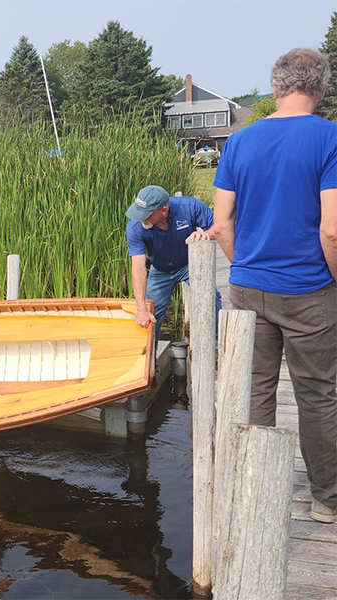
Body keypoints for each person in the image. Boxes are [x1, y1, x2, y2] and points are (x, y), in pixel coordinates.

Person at [213, 48, 337, 524]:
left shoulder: (239, 141)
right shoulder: (329, 139)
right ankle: (326, 498)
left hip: (247, 287)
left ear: (275, 88)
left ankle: (259, 492)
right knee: (316, 394)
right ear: (321, 88)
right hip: (309, 288)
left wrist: (244, 266)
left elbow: (223, 224)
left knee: (256, 391)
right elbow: (331, 230)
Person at [125, 185, 222, 340]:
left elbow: (218, 228)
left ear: (163, 211)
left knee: (211, 298)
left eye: (146, 214)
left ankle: (215, 346)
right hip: (160, 269)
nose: (141, 218)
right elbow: (138, 269)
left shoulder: (189, 207)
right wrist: (141, 308)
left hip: (189, 265)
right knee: (150, 313)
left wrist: (205, 234)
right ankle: (150, 360)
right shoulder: (135, 227)